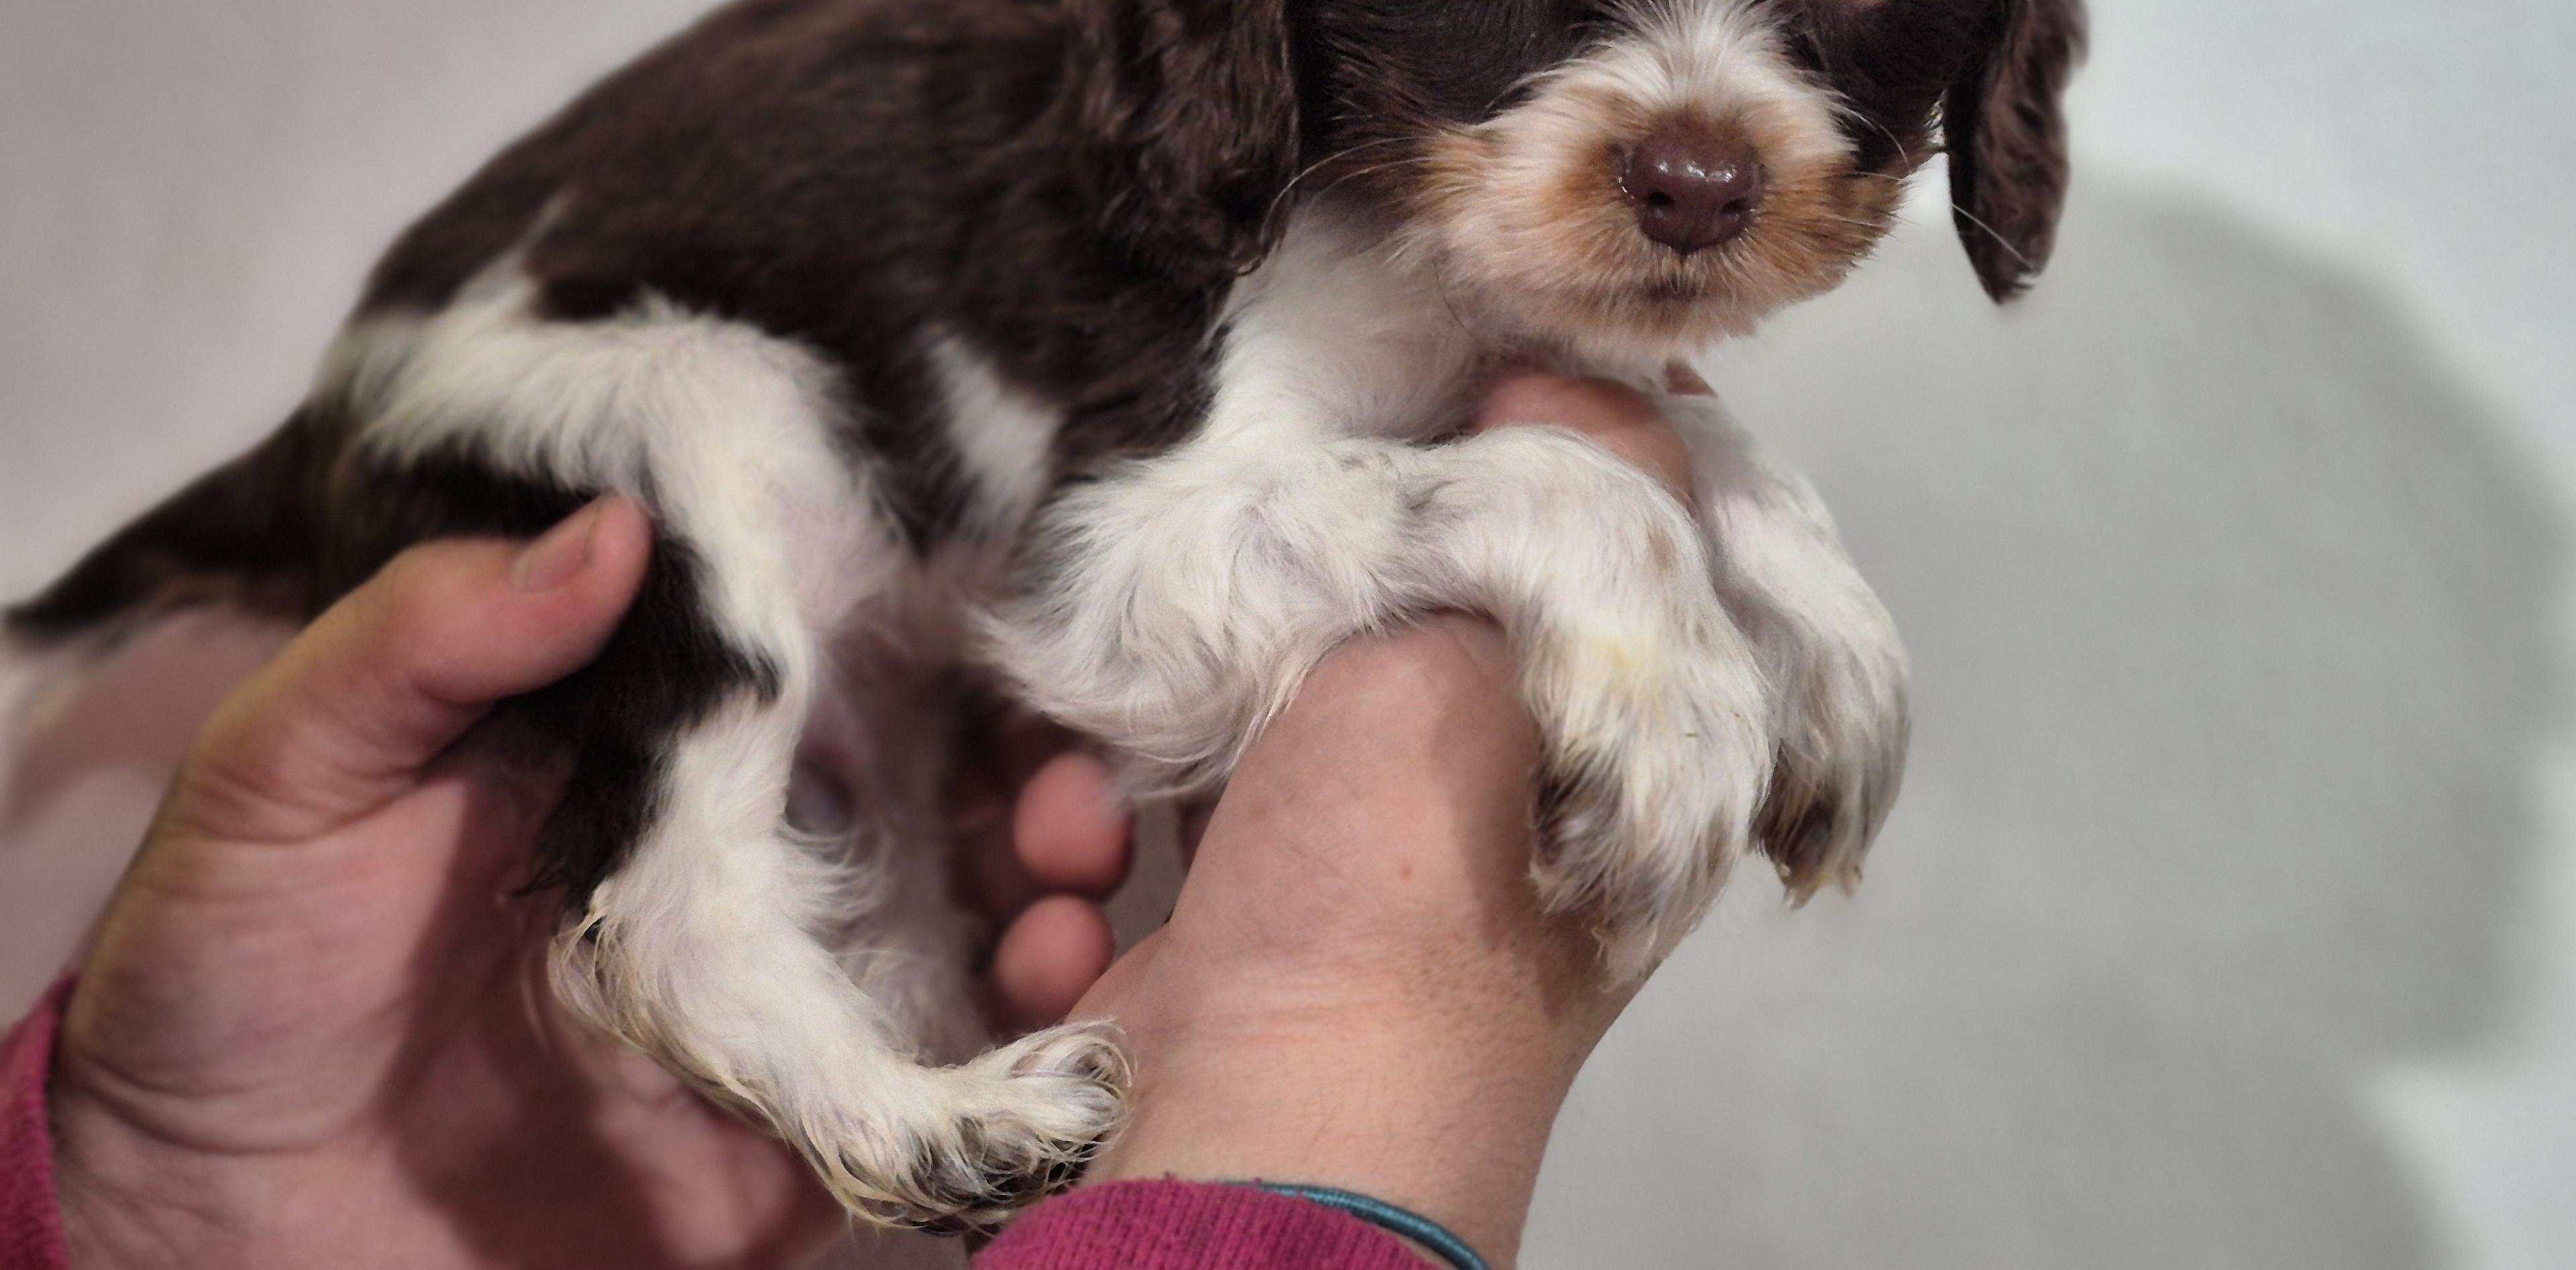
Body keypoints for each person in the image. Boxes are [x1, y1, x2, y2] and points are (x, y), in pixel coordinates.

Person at [3, 372, 1698, 1270]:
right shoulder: (1263, 250)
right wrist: (1336, 1068)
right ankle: (765, 1014)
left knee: (911, 815)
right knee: (714, 509)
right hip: (607, 368)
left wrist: (176, 1210)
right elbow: (1132, 603)